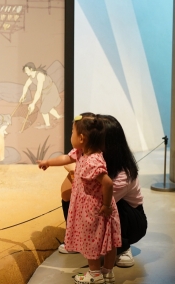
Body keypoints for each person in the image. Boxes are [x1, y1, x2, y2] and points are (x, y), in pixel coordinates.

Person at [39, 114, 121, 284]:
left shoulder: (92, 161)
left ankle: (94, 274)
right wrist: (48, 162)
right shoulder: (82, 153)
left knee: (91, 239)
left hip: (94, 209)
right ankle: (107, 271)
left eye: (72, 133)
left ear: (81, 138)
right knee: (108, 239)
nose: (71, 136)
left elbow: (107, 183)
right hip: (98, 207)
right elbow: (66, 158)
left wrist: (106, 205)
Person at [59, 114, 146, 268]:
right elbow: (66, 194)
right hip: (101, 208)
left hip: (130, 220)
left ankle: (122, 247)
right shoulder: (90, 158)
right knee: (78, 202)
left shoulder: (121, 175)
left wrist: (76, 171)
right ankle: (78, 242)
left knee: (104, 206)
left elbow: (96, 207)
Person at [19, 62, 62, 129]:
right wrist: (23, 95)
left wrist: (33, 104)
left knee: (44, 109)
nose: (25, 72)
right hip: (45, 92)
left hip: (51, 91)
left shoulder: (39, 76)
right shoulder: (31, 77)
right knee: (48, 107)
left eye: (26, 70)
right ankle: (59, 117)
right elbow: (26, 86)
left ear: (31, 69)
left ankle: (48, 125)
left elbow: (38, 91)